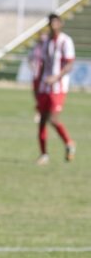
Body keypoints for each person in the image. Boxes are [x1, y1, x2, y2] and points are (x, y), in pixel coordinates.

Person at [34, 13, 76, 165]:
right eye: (51, 22)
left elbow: (69, 64)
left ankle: (69, 143)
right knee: (42, 120)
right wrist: (39, 83)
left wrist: (56, 77)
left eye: (55, 22)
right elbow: (44, 64)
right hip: (45, 86)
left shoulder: (66, 41)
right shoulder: (46, 42)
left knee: (53, 118)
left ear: (60, 24)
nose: (53, 25)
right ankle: (44, 154)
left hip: (58, 87)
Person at [28, 30, 48, 124]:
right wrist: (32, 67)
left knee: (42, 96)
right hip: (36, 75)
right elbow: (30, 58)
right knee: (36, 96)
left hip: (44, 76)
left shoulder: (48, 47)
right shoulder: (35, 47)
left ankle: (41, 113)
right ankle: (39, 113)